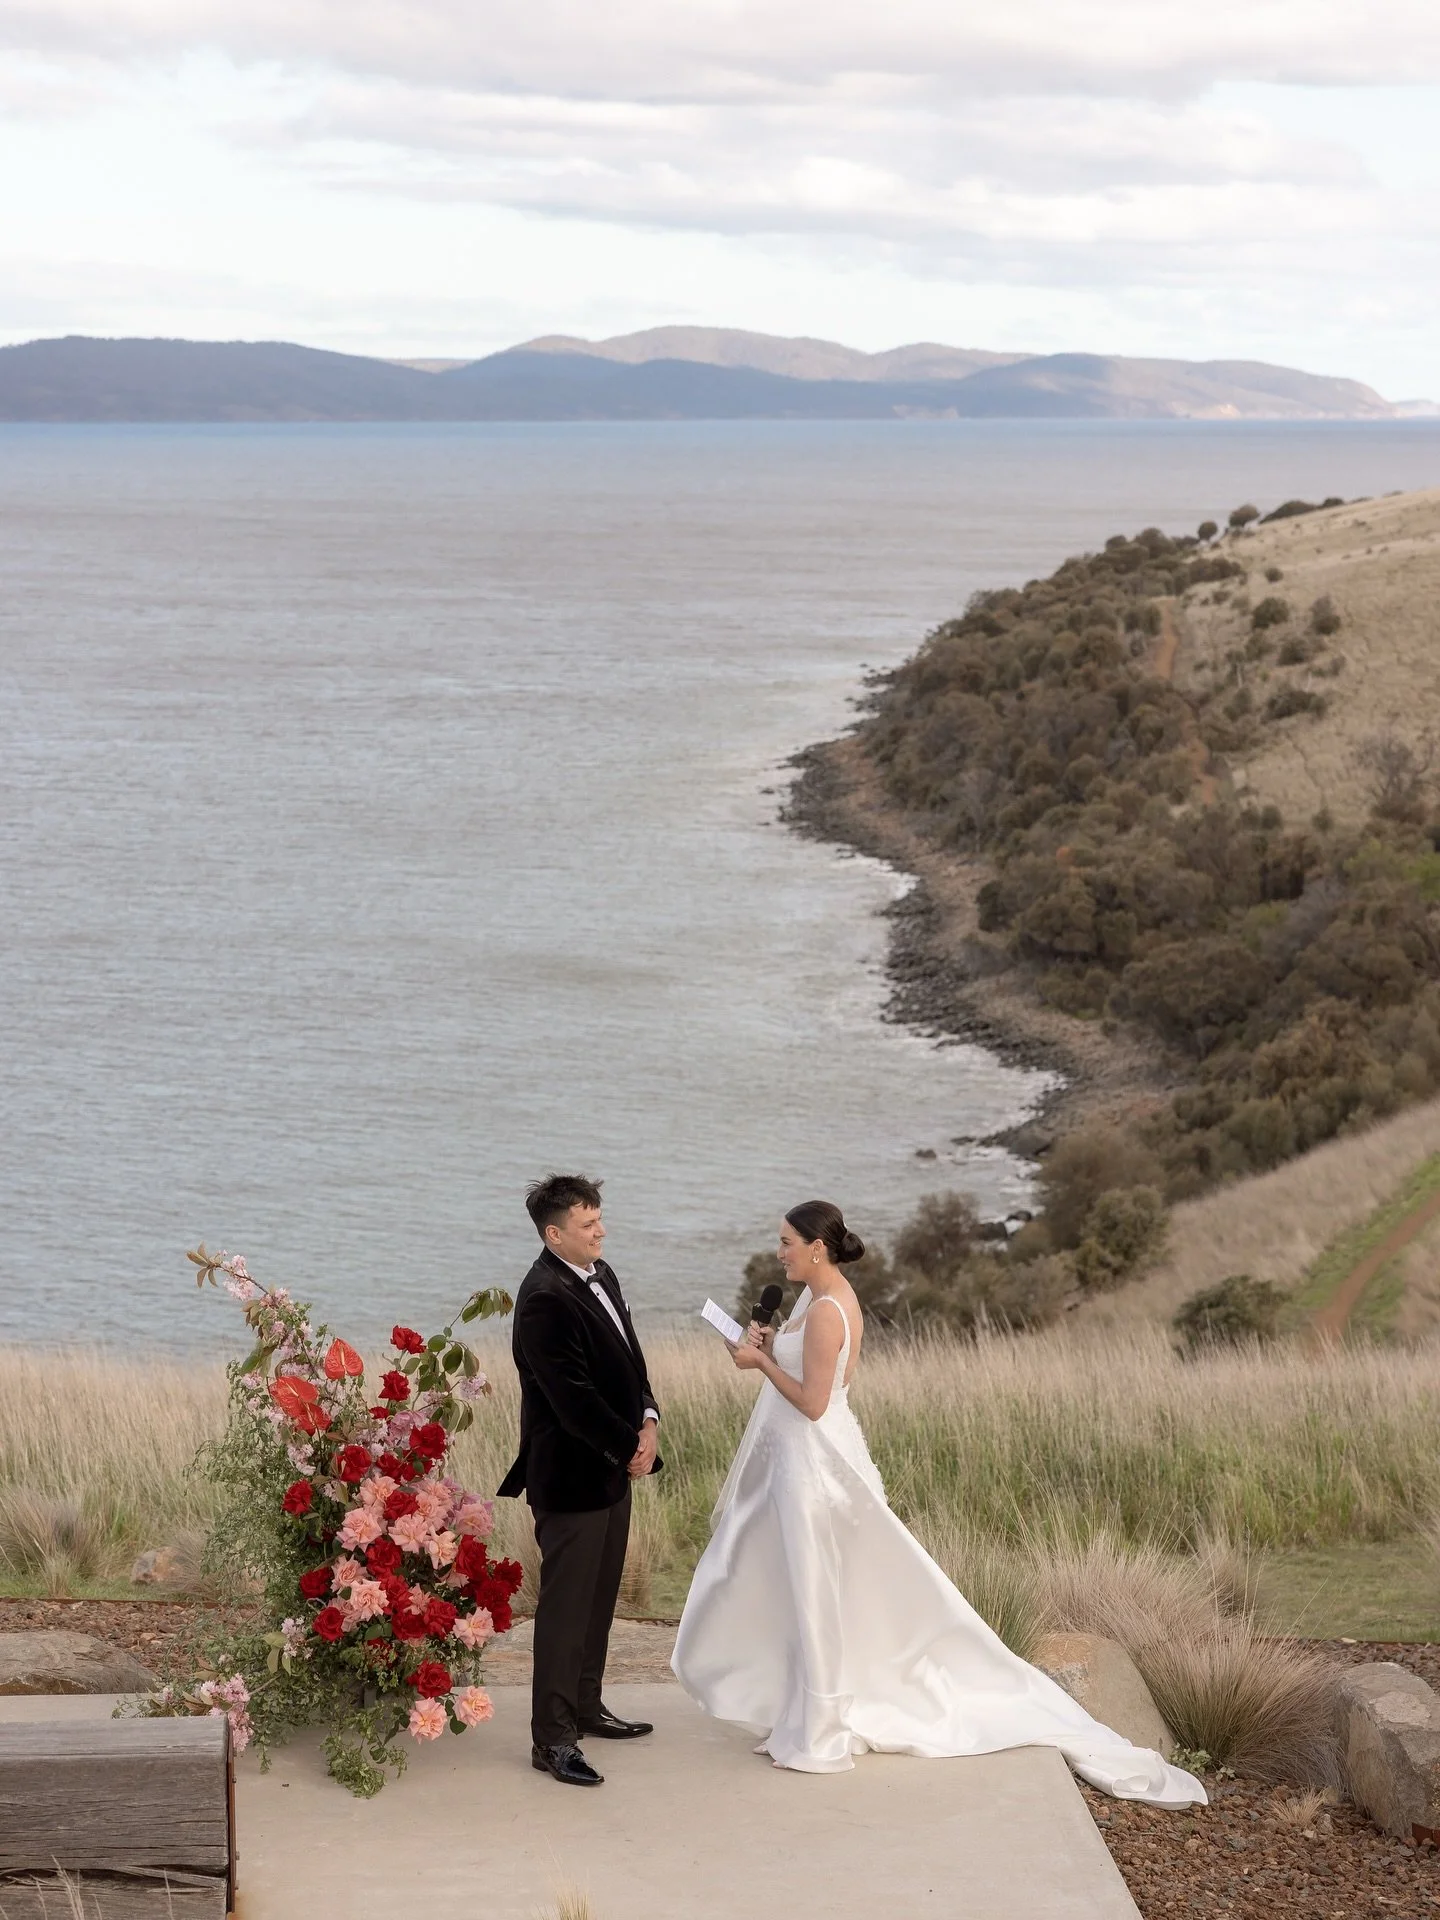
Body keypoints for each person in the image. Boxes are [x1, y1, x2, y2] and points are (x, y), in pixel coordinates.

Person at [671, 1198, 1205, 1807]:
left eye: (787, 1241)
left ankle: (820, 1730)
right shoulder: (821, 1300)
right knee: (811, 1591)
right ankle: (805, 1708)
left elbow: (818, 1403)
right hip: (809, 1460)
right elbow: (838, 1386)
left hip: (812, 1470)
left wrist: (761, 1361)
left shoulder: (825, 1311)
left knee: (818, 1591)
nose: (780, 1251)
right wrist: (768, 1343)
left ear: (816, 1247)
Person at [498, 1173, 661, 1786]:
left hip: (614, 1467)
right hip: (569, 1477)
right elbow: (573, 1401)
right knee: (565, 1612)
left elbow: (630, 1359)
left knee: (599, 1600)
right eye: (590, 1225)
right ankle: (553, 1740)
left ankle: (587, 1708)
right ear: (554, 1233)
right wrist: (629, 1447)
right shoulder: (543, 1298)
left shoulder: (602, 1272)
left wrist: (648, 1419)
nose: (602, 1232)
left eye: (600, 1221)